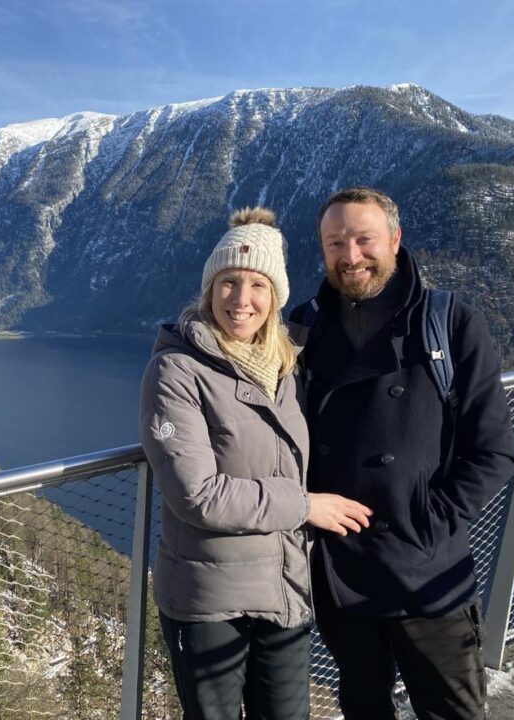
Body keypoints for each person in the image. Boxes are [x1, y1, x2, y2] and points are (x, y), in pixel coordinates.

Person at [291, 187, 514, 720]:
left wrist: (430, 521)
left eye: (364, 239)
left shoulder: (451, 323)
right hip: (343, 572)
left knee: (453, 711)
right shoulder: (303, 327)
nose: (350, 257)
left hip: (428, 575)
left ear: (394, 239)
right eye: (335, 243)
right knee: (365, 709)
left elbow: (494, 450)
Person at [140, 207, 372, 720]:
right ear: (209, 288)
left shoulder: (286, 367)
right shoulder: (176, 369)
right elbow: (196, 494)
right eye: (228, 282)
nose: (240, 300)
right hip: (209, 599)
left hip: (285, 586)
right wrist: (305, 505)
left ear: (275, 297)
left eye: (257, 285)